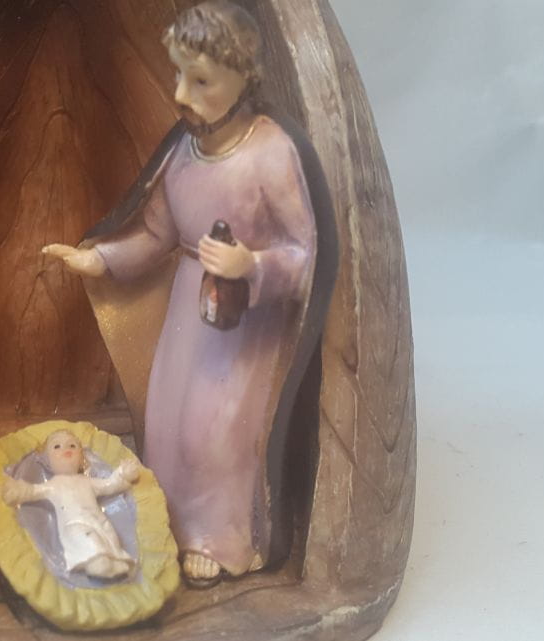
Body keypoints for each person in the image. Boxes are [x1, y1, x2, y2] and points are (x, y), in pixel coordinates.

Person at [43, 1, 336, 584]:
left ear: (243, 77)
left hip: (242, 324)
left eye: (200, 80)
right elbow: (156, 234)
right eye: (178, 74)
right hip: (187, 312)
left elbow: (305, 255)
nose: (180, 94)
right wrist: (99, 259)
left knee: (216, 430)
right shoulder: (183, 150)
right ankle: (169, 524)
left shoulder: (271, 151)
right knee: (169, 425)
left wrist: (250, 264)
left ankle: (222, 538)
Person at [1, 430, 140, 580]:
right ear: (48, 460)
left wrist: (122, 474)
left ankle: (114, 562)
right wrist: (17, 491)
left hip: (99, 521)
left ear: (81, 458)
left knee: (110, 540)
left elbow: (109, 485)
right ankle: (98, 563)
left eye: (72, 446)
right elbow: (33, 491)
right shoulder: (54, 485)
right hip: (75, 525)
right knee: (91, 542)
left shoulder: (87, 481)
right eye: (57, 446)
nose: (66, 449)